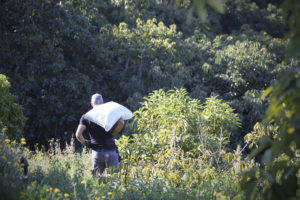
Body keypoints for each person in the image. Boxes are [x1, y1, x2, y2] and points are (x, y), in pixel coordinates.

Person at [75, 93, 124, 175]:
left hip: (97, 153)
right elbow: (121, 122)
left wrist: (86, 143)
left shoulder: (86, 117)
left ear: (91, 104)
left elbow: (78, 135)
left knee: (97, 183)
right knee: (115, 183)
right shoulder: (109, 113)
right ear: (103, 103)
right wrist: (113, 135)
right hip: (111, 151)